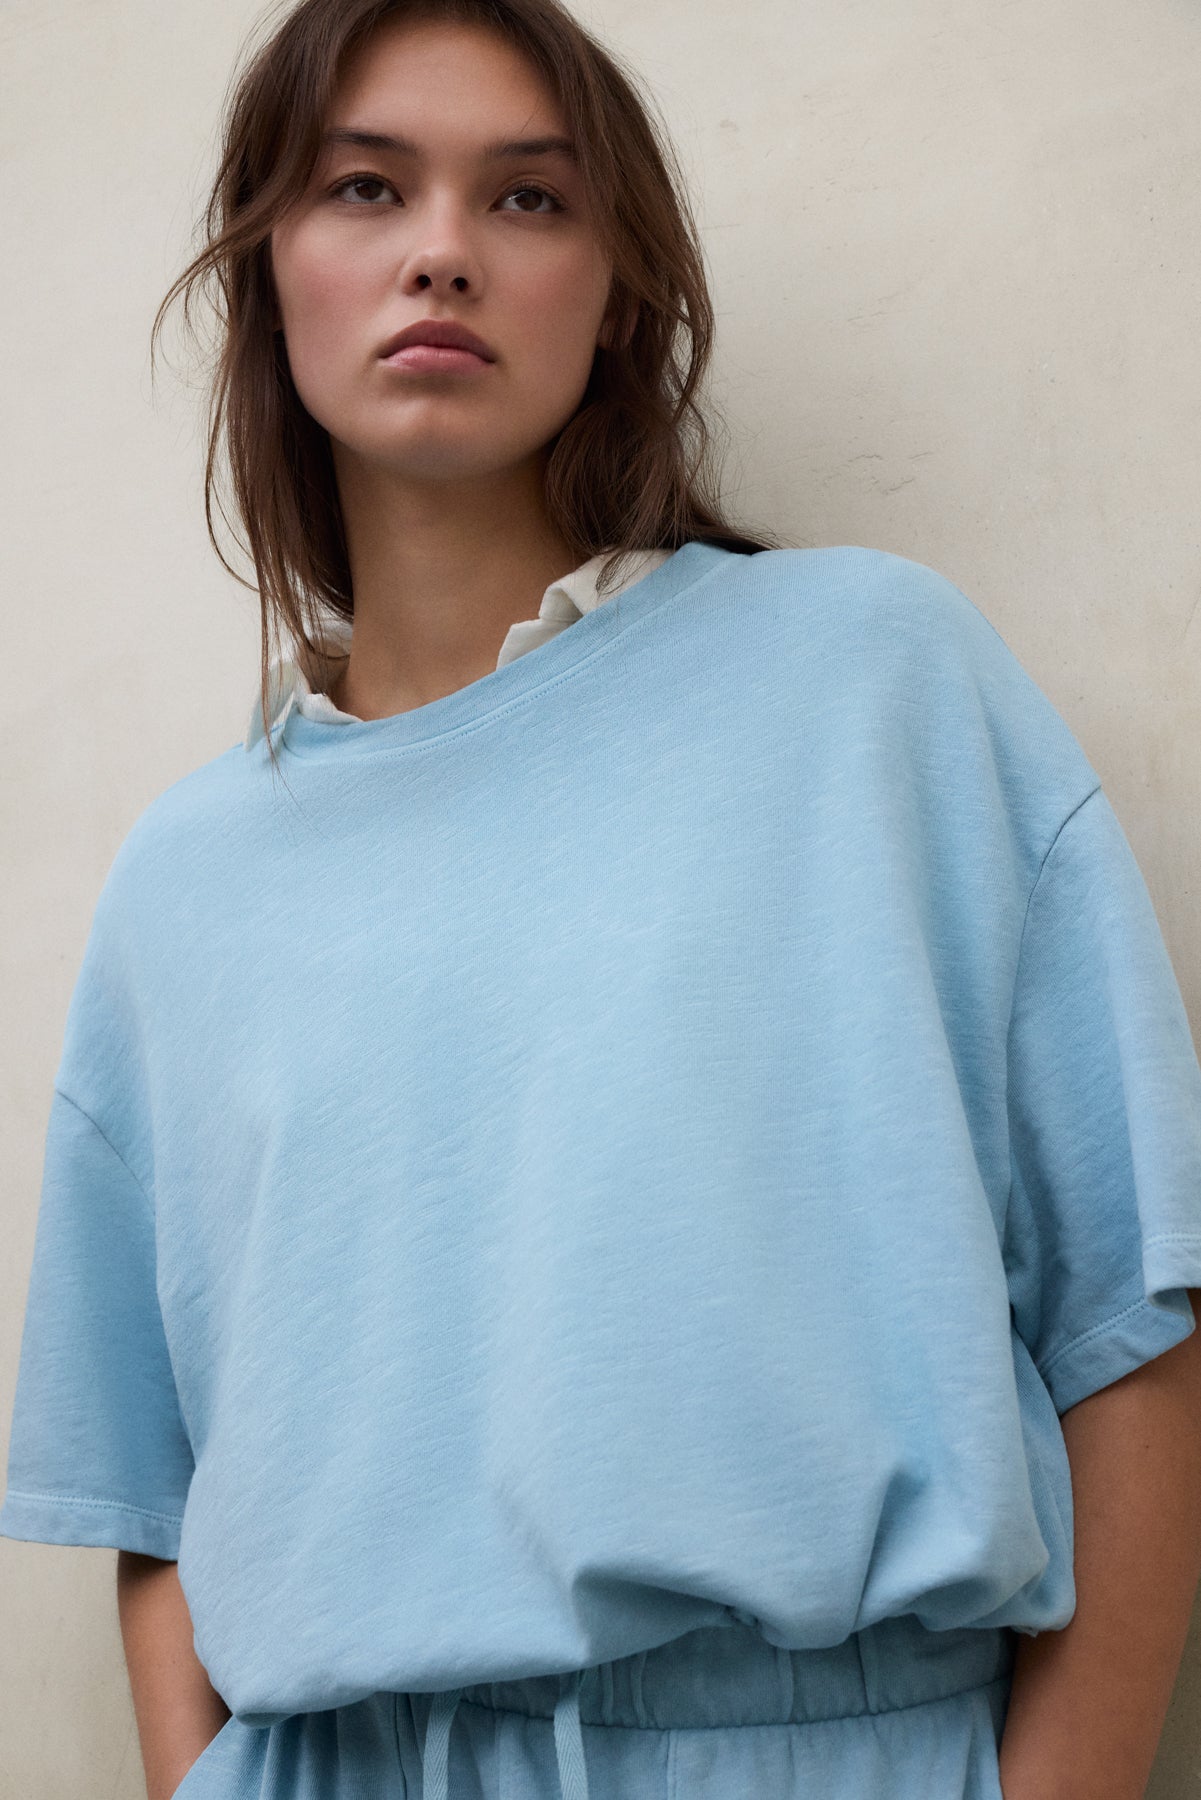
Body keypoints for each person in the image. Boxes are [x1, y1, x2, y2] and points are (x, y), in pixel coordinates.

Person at [4, 1, 1201, 1797]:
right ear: (266, 275)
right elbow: (159, 1500)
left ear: (619, 292)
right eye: (364, 186)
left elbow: (1129, 1321)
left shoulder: (871, 688)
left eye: (528, 198)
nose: (440, 253)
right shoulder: (188, 878)